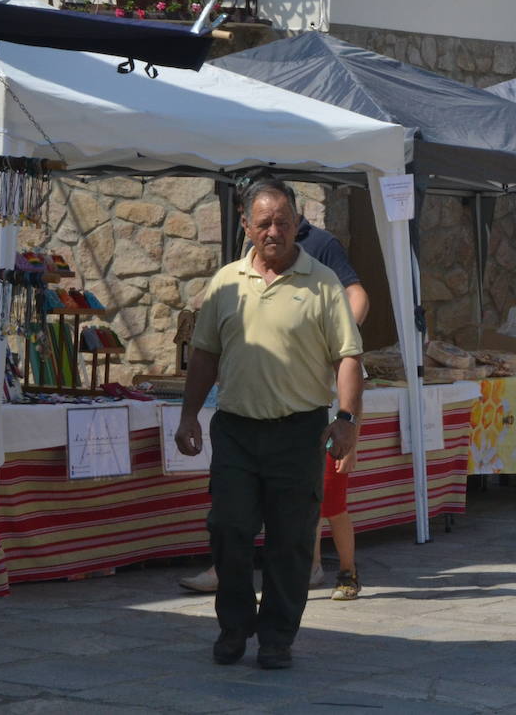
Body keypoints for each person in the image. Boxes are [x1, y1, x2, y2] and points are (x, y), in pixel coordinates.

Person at [174, 178, 364, 669]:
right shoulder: (225, 283)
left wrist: (345, 419)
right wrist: (189, 414)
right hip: (236, 430)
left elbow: (348, 357)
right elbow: (204, 354)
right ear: (246, 226)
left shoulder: (322, 282)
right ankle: (235, 627)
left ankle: (277, 637)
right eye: (264, 223)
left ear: (297, 222)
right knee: (228, 528)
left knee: (291, 539)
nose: (274, 231)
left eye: (283, 221)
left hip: (299, 432)